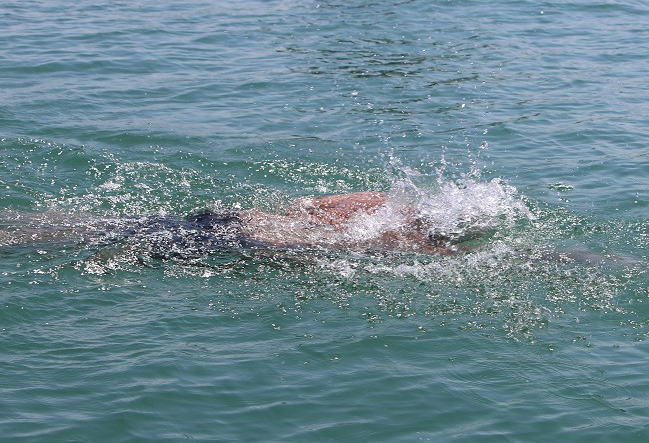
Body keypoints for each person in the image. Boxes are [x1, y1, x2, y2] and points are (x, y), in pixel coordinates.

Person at [0, 191, 470, 257]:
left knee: (94, 225)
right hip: (228, 236)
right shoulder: (394, 234)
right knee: (87, 235)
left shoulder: (384, 203)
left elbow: (307, 205)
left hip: (231, 219)